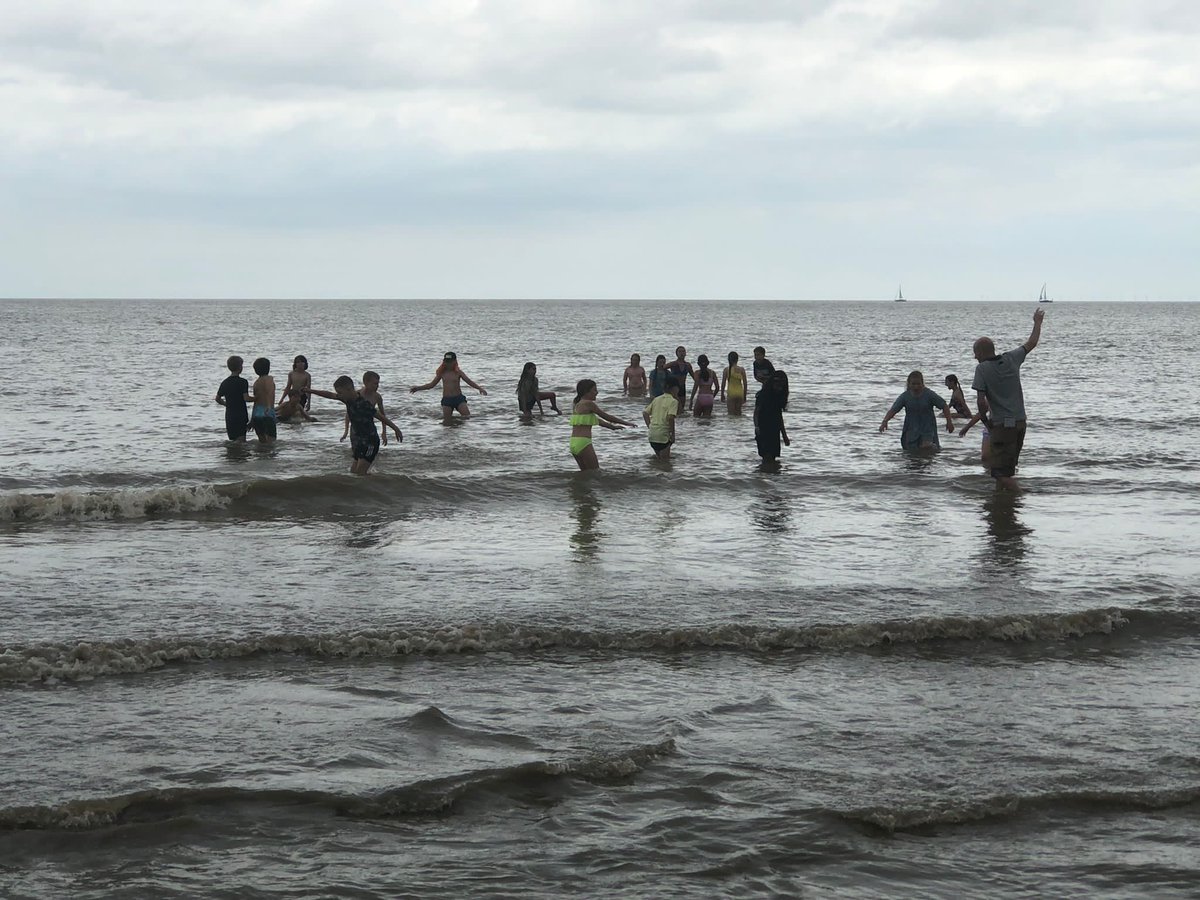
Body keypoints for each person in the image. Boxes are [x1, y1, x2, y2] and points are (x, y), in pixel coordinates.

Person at [971, 308, 1045, 490]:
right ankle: (1004, 507)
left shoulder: (982, 369)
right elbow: (1032, 342)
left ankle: (1021, 496)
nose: (974, 357)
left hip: (1002, 426)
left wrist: (986, 421)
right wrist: (1037, 323)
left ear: (980, 353)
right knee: (1006, 469)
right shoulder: (1012, 358)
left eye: (975, 353)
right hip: (1020, 423)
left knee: (999, 473)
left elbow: (981, 402)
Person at [311, 375, 402, 475]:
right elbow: (329, 395)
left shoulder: (364, 404)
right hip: (358, 441)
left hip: (370, 442)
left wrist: (396, 429)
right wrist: (310, 391)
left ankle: (377, 486)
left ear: (349, 389)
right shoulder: (347, 399)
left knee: (360, 473)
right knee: (353, 472)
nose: (338, 395)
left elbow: (381, 417)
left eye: (340, 392)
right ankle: (375, 482)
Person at [569, 379, 635, 470]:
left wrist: (612, 427)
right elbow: (606, 417)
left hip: (573, 442)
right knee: (595, 472)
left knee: (584, 473)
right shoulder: (589, 403)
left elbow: (596, 420)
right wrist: (626, 423)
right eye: (594, 390)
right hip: (584, 442)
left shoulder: (576, 404)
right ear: (586, 392)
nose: (597, 392)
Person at [879, 370, 954, 450]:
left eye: (918, 384)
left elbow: (944, 406)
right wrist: (885, 421)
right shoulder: (905, 397)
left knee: (927, 449)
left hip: (927, 429)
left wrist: (949, 422)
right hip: (911, 430)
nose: (916, 386)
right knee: (912, 456)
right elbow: (893, 410)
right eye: (913, 384)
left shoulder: (929, 394)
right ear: (909, 384)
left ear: (922, 383)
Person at [410, 351, 488, 423]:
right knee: (447, 422)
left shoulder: (458, 373)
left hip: (459, 399)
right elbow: (431, 385)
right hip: (447, 400)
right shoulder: (441, 373)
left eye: (450, 362)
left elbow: (469, 381)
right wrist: (418, 388)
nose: (448, 364)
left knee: (467, 417)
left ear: (454, 362)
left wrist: (479, 388)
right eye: (446, 362)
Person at [341, 371, 389, 445]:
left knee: (370, 452)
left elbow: (382, 416)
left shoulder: (377, 397)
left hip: (369, 429)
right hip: (356, 430)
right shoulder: (356, 395)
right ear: (365, 382)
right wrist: (346, 431)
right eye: (375, 383)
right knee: (357, 453)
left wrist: (384, 433)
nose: (377, 386)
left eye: (378, 383)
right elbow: (348, 414)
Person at [754, 370, 790, 462]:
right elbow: (756, 413)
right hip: (763, 429)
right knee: (767, 457)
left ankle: (769, 473)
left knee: (772, 458)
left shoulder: (779, 397)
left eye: (782, 386)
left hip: (775, 430)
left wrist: (784, 436)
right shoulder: (763, 395)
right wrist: (757, 428)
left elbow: (779, 417)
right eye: (777, 385)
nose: (779, 388)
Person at [214, 355, 251, 441]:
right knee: (241, 440)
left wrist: (226, 404)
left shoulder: (225, 382)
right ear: (240, 368)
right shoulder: (243, 382)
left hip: (230, 415)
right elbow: (246, 398)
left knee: (233, 440)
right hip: (240, 414)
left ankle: (232, 454)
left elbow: (217, 398)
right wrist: (257, 398)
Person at [643, 381, 678, 459]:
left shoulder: (656, 399)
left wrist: (650, 426)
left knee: (659, 461)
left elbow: (645, 413)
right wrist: (673, 435)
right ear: (674, 389)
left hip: (652, 435)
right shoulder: (673, 401)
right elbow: (671, 418)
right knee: (665, 464)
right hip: (663, 436)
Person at [249, 357, 277, 444]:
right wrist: (269, 406)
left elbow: (256, 401)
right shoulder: (269, 378)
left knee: (262, 441)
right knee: (271, 441)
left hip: (257, 413)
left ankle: (261, 456)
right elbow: (269, 391)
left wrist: (252, 418)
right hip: (267, 411)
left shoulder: (256, 382)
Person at [666, 346, 694, 413]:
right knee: (674, 405)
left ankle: (681, 422)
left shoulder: (687, 365)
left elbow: (694, 377)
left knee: (682, 407)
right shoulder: (673, 364)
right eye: (680, 351)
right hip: (674, 387)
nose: (681, 353)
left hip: (682, 387)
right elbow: (662, 368)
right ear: (676, 354)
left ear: (685, 353)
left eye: (683, 351)